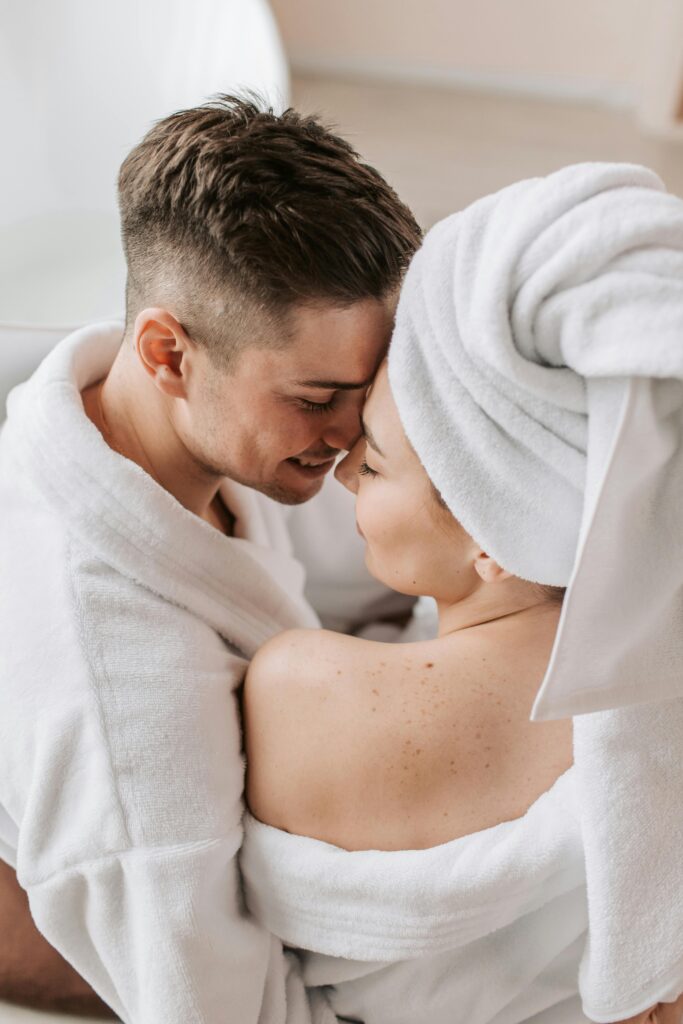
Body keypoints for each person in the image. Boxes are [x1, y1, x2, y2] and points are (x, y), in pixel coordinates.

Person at [0, 95, 421, 1022]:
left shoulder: (186, 432)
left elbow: (363, 581)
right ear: (166, 352)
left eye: (370, 389)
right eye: (319, 399)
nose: (358, 440)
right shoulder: (120, 700)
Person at [241, 163, 683, 1024]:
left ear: (493, 534)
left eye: (372, 460)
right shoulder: (652, 699)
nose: (340, 479)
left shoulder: (300, 685)